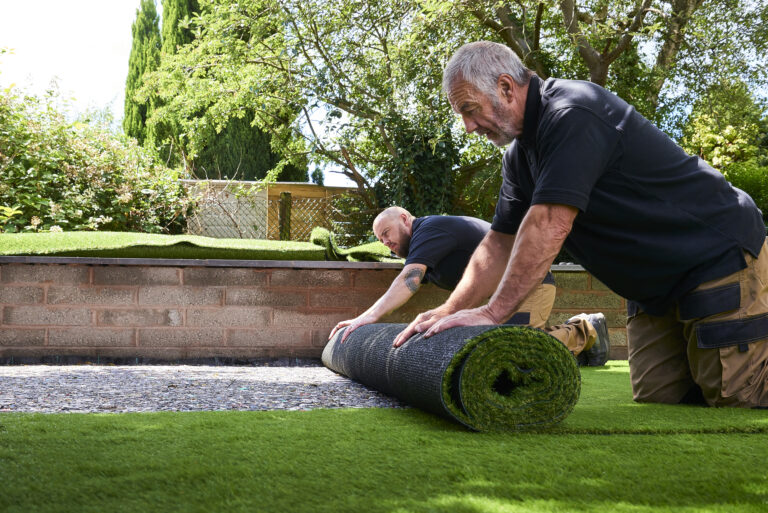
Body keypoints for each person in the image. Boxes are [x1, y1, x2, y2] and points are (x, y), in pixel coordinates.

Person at [394, 41, 768, 408]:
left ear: (506, 88)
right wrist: (449, 310)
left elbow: (549, 224)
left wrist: (493, 313)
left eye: (470, 110)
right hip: (656, 289)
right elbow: (498, 243)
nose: (468, 127)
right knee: (661, 394)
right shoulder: (519, 157)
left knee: (737, 394)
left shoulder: (573, 112)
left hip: (716, 255)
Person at [329, 206, 610, 366]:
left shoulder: (428, 230)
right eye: (380, 240)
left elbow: (408, 281)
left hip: (530, 283)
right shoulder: (427, 249)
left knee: (515, 349)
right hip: (497, 300)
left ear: (404, 219)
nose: (385, 242)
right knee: (495, 352)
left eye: (386, 233)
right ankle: (577, 349)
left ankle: (584, 330)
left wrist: (367, 317)